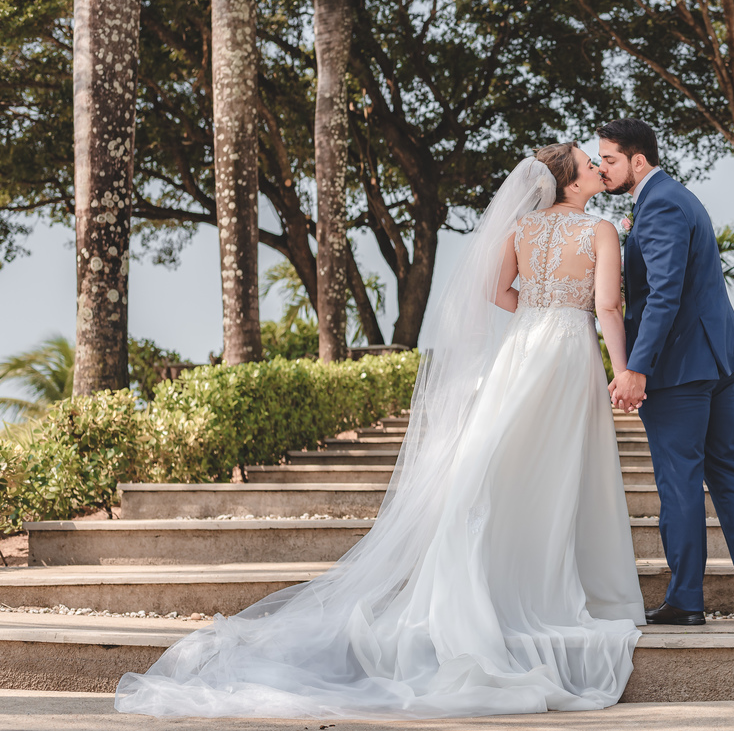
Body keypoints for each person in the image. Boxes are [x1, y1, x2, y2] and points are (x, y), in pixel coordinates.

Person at [114, 146, 645, 720]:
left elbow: (496, 293)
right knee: (565, 468)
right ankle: (571, 591)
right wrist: (617, 365)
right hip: (568, 353)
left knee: (504, 468)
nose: (598, 166)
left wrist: (538, 315)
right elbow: (608, 306)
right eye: (590, 163)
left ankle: (496, 586)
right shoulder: (602, 230)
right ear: (570, 181)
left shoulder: (520, 226)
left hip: (522, 353)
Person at [600, 118, 734, 626]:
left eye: (610, 159)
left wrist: (637, 367)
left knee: (679, 481)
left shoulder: (657, 205)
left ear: (638, 160)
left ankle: (685, 599)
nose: (602, 168)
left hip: (680, 368)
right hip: (717, 358)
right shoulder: (674, 197)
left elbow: (664, 293)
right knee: (725, 468)